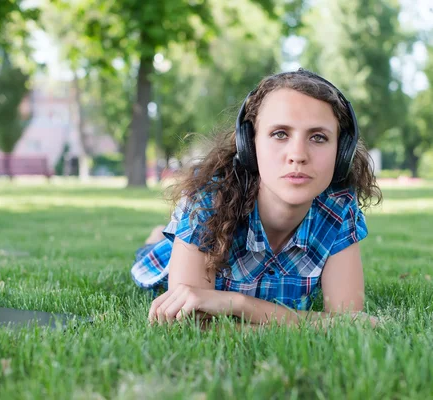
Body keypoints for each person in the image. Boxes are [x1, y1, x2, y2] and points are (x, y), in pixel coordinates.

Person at [131, 68, 383, 328]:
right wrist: (309, 323)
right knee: (157, 253)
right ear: (249, 145)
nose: (297, 155)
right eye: (280, 134)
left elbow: (351, 322)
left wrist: (238, 304)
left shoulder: (338, 206)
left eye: (318, 137)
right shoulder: (209, 200)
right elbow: (192, 322)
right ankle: (158, 237)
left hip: (236, 290)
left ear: (342, 152)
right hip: (167, 261)